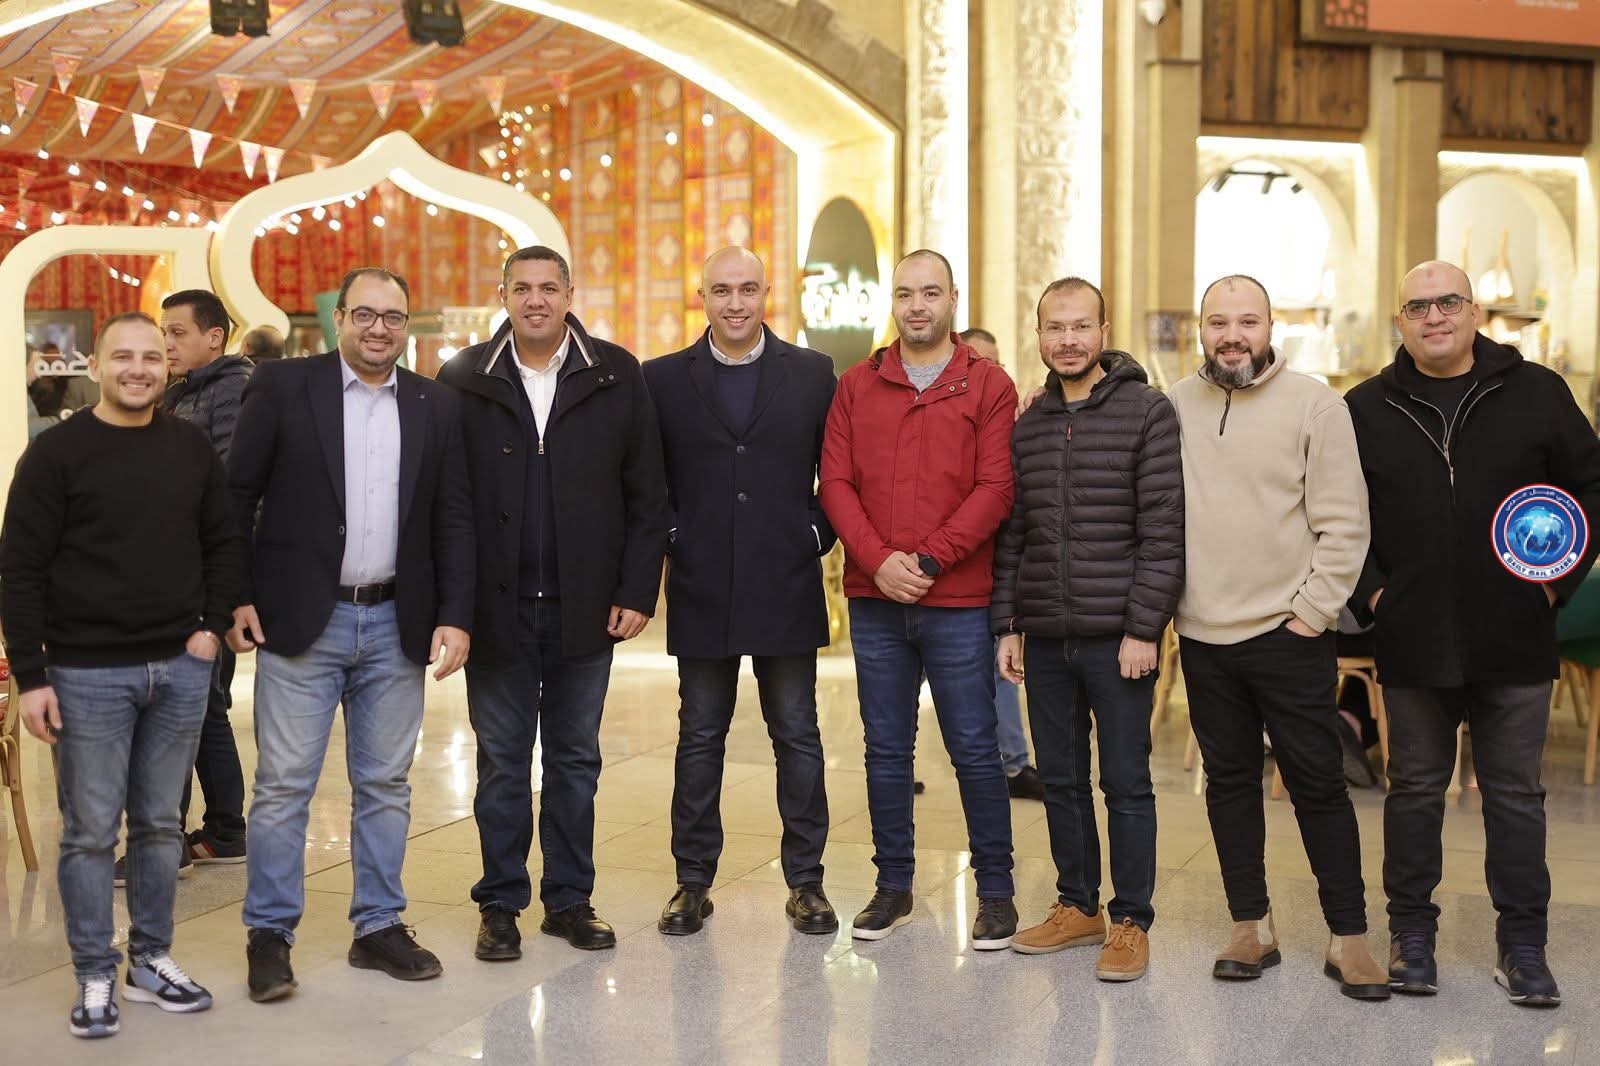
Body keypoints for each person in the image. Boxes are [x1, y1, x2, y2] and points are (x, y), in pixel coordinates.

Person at [1347, 260, 1600, 1007]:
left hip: (1514, 631)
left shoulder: (1537, 391)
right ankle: (1411, 936)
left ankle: (1522, 945)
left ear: (1474, 310)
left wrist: (1558, 578)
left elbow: (1591, 485)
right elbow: (1336, 510)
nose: (1434, 317)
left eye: (1448, 302)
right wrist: (1374, 593)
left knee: (1515, 795)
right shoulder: (1366, 407)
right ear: (1400, 321)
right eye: (1417, 307)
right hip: (1413, 634)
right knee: (1414, 792)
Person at [227, 267, 474, 1001]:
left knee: (386, 784)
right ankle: (270, 935)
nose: (378, 329)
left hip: (398, 620)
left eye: (392, 317)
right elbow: (236, 496)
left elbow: (453, 515)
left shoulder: (435, 403)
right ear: (339, 318)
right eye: (364, 314)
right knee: (283, 785)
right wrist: (235, 596)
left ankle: (378, 927)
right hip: (302, 619)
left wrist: (456, 613)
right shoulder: (282, 387)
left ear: (407, 326)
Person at [0, 312, 240, 1038]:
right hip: (84, 673)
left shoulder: (189, 447)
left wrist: (210, 627)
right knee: (90, 832)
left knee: (162, 826)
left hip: (180, 669)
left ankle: (150, 960)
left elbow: (224, 541)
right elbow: (20, 570)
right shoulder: (56, 454)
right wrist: (32, 676)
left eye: (151, 357)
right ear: (95, 365)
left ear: (167, 365)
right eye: (123, 356)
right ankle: (93, 969)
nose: (138, 368)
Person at [437, 246, 668, 958]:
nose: (535, 299)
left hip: (586, 609)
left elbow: (648, 493)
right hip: (496, 610)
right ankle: (500, 903)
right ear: (503, 295)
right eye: (522, 288)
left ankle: (569, 900)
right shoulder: (464, 377)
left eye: (548, 287)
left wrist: (636, 589)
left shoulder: (616, 373)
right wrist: (454, 608)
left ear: (570, 294)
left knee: (574, 762)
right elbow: (448, 502)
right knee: (503, 764)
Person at [1169, 274, 1388, 1000]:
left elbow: (1345, 523)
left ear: (1270, 328)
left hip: (1287, 633)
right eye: (1218, 322)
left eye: (1248, 321)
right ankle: (1249, 926)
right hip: (1204, 635)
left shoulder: (1316, 405)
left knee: (1319, 786)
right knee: (1229, 783)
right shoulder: (1176, 404)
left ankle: (1349, 938)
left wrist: (1311, 615)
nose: (1232, 335)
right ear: (1201, 329)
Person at [819, 249, 1020, 948]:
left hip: (957, 599)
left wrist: (930, 559)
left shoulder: (988, 384)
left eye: (930, 293)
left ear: (953, 299)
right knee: (885, 750)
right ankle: (893, 886)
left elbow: (996, 488)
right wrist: (879, 562)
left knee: (975, 749)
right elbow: (835, 483)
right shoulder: (858, 385)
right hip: (876, 601)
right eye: (905, 293)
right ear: (893, 301)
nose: (917, 306)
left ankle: (995, 893)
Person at [644, 247, 839, 937]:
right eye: (722, 290)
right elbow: (648, 478)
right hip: (701, 583)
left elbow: (839, 470)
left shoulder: (812, 373)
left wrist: (814, 533)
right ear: (702, 296)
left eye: (748, 289)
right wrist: (673, 535)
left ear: (766, 294)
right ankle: (692, 881)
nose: (735, 302)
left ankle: (807, 882)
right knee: (700, 737)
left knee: (798, 735)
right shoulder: (662, 378)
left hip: (785, 580)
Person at [992, 278, 1183, 982]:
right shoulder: (1030, 424)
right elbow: (1015, 535)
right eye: (1055, 328)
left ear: (1104, 331)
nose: (1067, 340)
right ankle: (1078, 905)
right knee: (1063, 780)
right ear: (1039, 334)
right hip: (1046, 634)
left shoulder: (1147, 412)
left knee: (1126, 781)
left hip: (1118, 638)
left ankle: (1131, 919)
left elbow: (1164, 531)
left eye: (1080, 327)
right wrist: (1008, 625)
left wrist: (1144, 628)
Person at [159, 290, 253, 869]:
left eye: (178, 332)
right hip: (182, 570)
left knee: (181, 705)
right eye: (163, 332)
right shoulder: (183, 392)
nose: (167, 343)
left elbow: (228, 486)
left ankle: (165, 843)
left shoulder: (232, 390)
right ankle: (224, 832)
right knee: (204, 706)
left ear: (214, 336)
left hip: (201, 574)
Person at [959, 326, 1044, 802]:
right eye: (977, 360)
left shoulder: (1016, 417)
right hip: (953, 568)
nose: (987, 370)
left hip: (1002, 568)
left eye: (995, 362)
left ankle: (1014, 763)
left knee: (1001, 667)